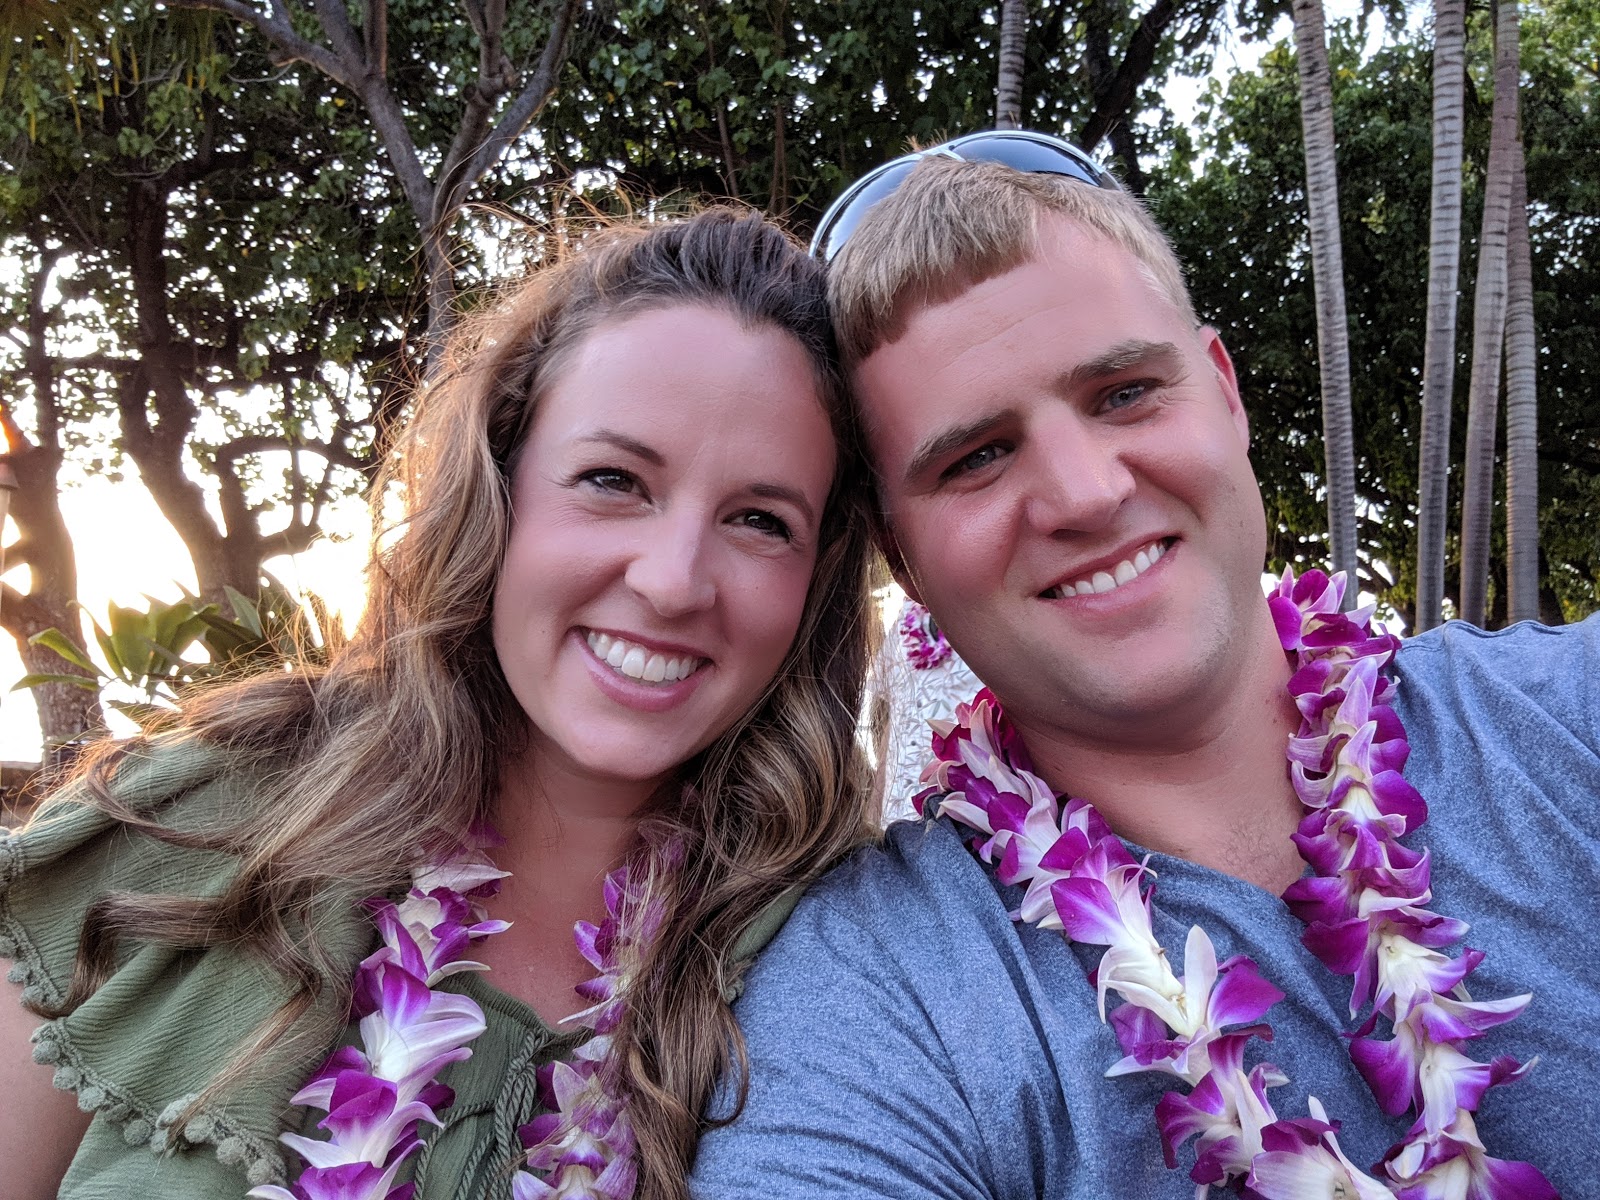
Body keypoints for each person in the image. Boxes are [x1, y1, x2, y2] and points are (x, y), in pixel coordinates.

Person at [690, 132, 1599, 1198]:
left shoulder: (1565, 721)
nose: (1085, 494)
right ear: (903, 556)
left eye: (1123, 393)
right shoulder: (877, 999)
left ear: (1225, 392)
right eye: (977, 456)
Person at [0, 207, 878, 1200]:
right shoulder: (185, 835)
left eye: (760, 519)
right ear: (499, 488)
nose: (674, 581)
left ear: (817, 577)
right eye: (613, 480)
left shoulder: (841, 967)